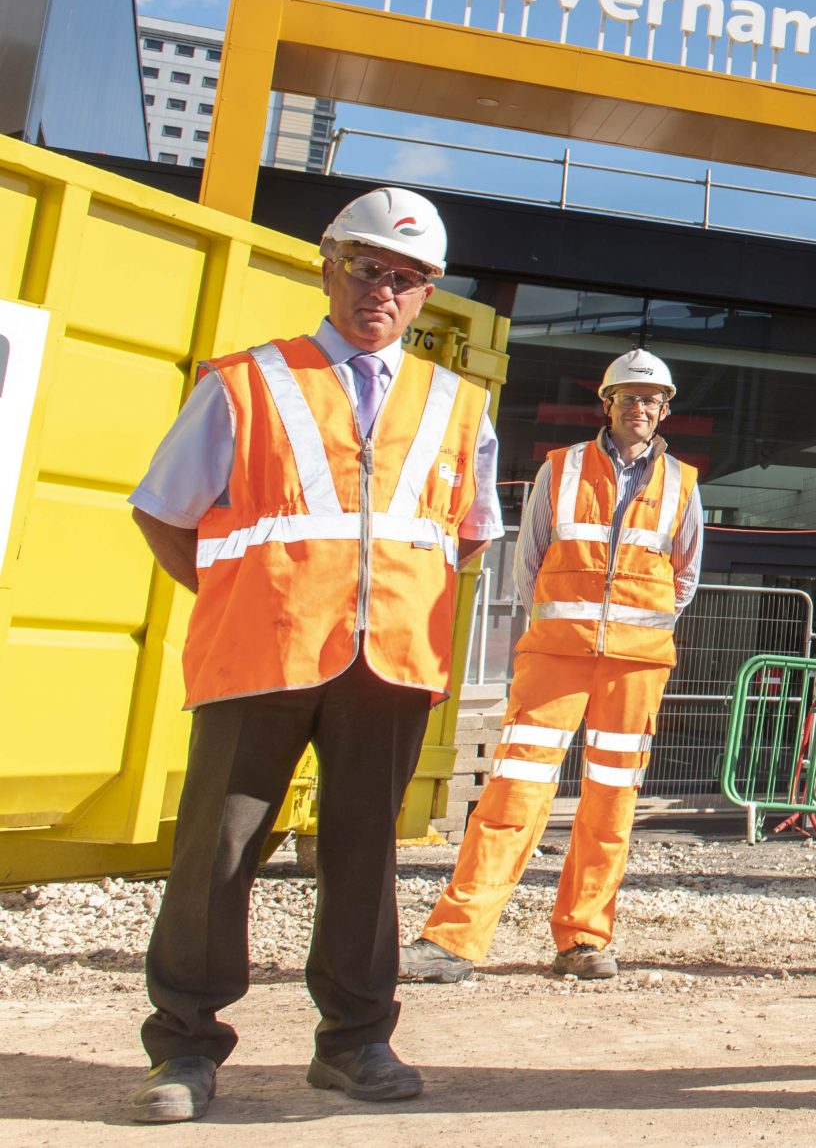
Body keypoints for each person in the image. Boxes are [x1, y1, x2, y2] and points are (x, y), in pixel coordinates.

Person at [124, 189, 499, 1124]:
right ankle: (185, 1046)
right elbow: (162, 511)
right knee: (219, 848)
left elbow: (468, 535)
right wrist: (242, 600)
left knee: (365, 854)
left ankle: (356, 1039)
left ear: (428, 294)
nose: (384, 289)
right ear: (329, 265)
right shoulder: (247, 381)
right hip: (263, 655)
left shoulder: (460, 405)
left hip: (391, 666)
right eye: (368, 267)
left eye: (406, 277)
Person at [400, 347, 702, 985]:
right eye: (628, 397)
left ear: (664, 409)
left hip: (635, 665)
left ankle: (584, 940)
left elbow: (685, 577)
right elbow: (528, 561)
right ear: (608, 403)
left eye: (651, 400)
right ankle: (455, 940)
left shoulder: (684, 482)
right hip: (556, 656)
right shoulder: (559, 470)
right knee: (513, 792)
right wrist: (563, 624)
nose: (639, 408)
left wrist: (633, 627)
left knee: (610, 804)